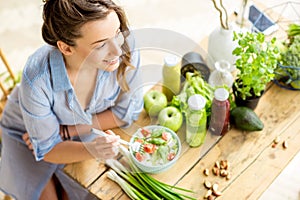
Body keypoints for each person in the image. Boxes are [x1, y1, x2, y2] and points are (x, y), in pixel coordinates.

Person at [0, 0, 143, 199]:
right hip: (26, 133)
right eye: (101, 45)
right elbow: (49, 149)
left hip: (76, 128)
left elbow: (126, 112)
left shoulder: (124, 47)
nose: (117, 51)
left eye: (117, 33)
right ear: (66, 48)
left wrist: (70, 130)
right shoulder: (37, 78)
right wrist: (93, 149)